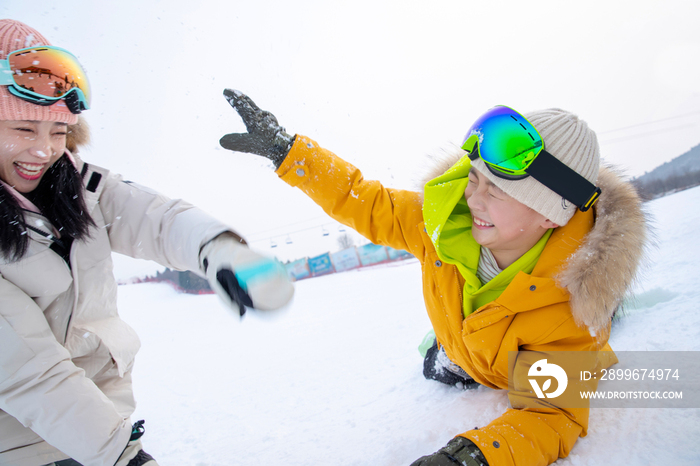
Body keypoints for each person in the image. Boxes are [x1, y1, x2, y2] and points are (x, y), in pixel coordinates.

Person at [218, 89, 649, 466]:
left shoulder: (567, 313)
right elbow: (364, 200)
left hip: (511, 368)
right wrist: (289, 152)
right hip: (464, 350)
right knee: (435, 363)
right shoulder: (442, 224)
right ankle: (447, 348)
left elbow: (552, 416)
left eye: (496, 190)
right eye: (474, 178)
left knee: (567, 363)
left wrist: (474, 455)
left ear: (552, 215)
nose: (472, 197)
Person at [0, 20, 294, 466]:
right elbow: (28, 372)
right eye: (24, 130)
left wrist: (218, 250)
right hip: (23, 448)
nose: (44, 151)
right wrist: (122, 457)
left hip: (102, 430)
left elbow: (157, 219)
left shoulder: (77, 188)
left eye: (58, 133)